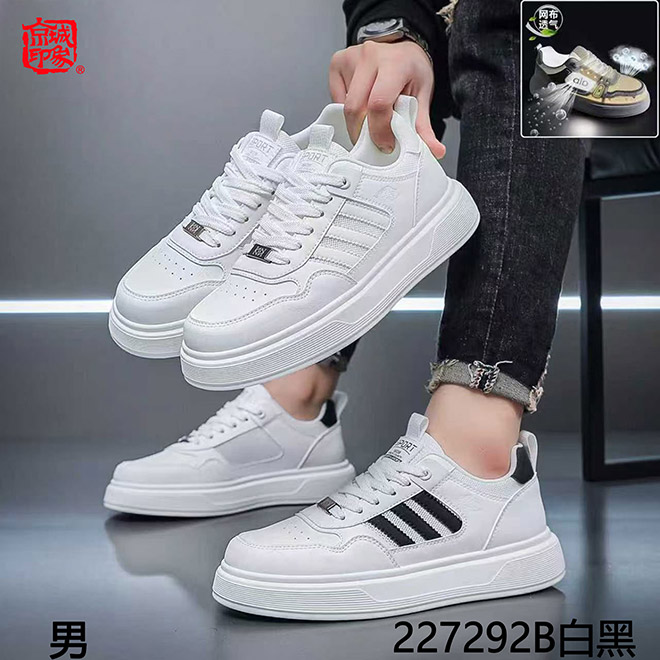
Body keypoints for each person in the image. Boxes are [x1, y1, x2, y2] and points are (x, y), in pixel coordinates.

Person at [107, 0, 586, 618]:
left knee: (527, 26)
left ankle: (479, 453)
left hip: (617, 60)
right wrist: (394, 30)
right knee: (392, 75)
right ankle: (297, 396)